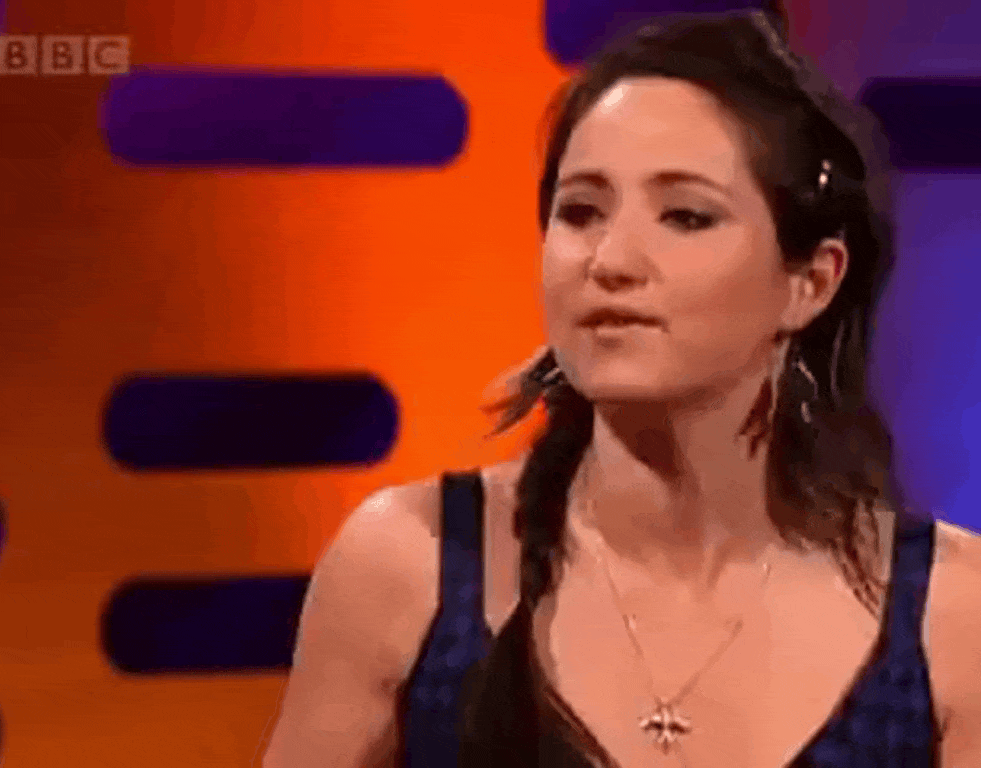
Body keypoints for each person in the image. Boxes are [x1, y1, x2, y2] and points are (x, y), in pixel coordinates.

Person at [261, 9, 981, 768]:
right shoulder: (410, 565)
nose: (609, 260)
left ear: (811, 282)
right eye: (580, 212)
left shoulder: (951, 616)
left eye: (686, 216)